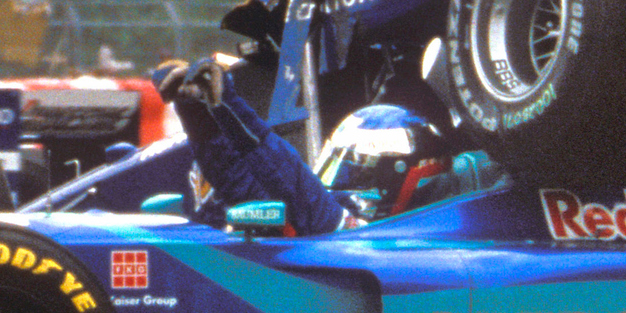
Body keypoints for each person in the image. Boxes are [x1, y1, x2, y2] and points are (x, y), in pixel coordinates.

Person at [151, 55, 464, 235]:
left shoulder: (369, 232)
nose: (343, 174)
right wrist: (197, 116)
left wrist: (228, 105)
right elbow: (237, 179)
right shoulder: (325, 214)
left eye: (357, 165)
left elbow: (294, 184)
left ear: (397, 175)